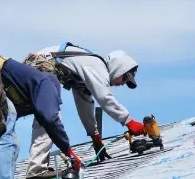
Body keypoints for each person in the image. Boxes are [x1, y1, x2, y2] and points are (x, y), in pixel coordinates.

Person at [23, 42, 147, 178]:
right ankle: (36, 171)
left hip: (36, 73)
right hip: (39, 70)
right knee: (50, 117)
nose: (122, 83)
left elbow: (84, 105)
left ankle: (37, 168)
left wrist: (95, 136)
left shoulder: (88, 73)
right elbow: (104, 98)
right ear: (118, 68)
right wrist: (129, 121)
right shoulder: (96, 66)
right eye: (124, 78)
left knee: (46, 118)